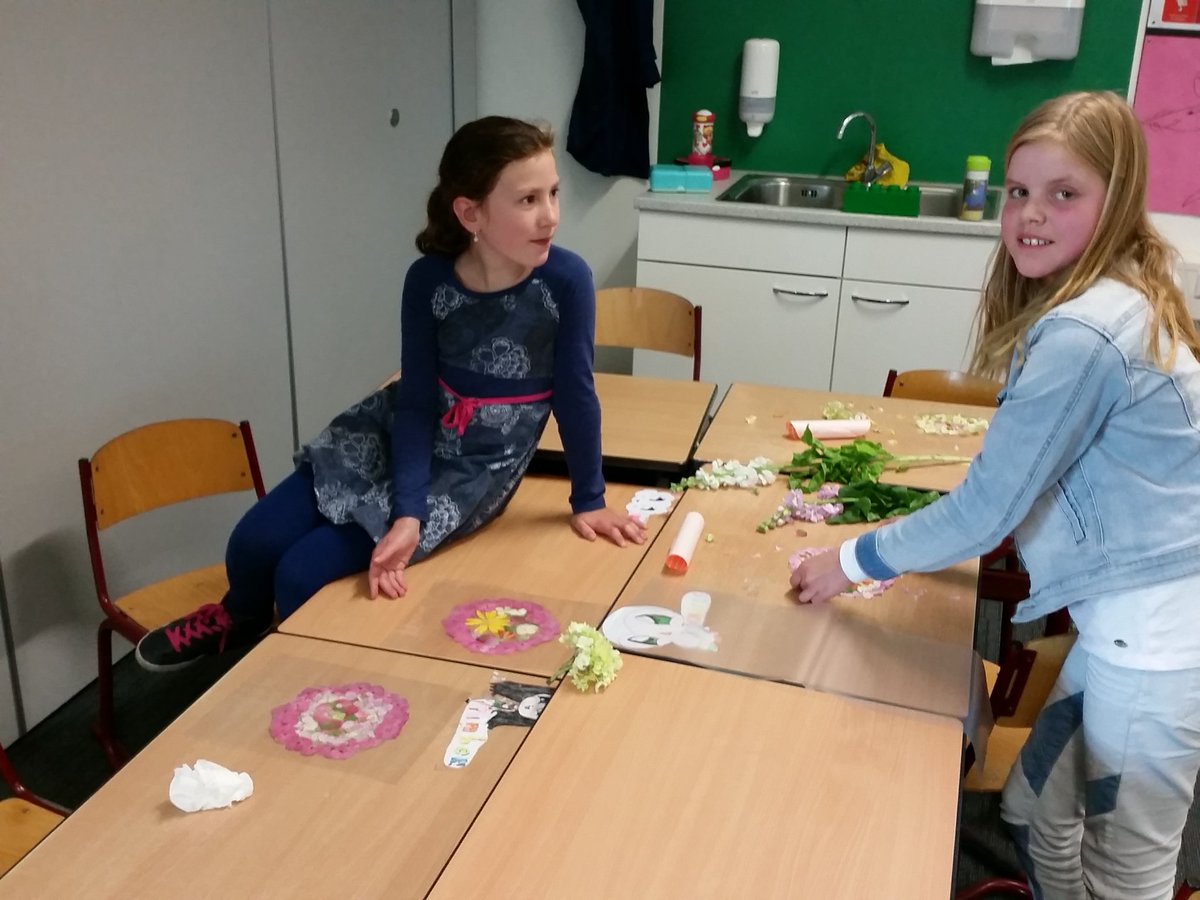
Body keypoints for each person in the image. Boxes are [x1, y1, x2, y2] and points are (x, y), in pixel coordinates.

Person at [791, 91, 1200, 898]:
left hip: (1158, 650)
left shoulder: (1088, 329)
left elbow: (986, 514)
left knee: (1129, 865)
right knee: (1037, 804)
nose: (1030, 215)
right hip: (1124, 631)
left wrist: (850, 559)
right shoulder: (1109, 296)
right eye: (1018, 191)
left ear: (1115, 202)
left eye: (1064, 193)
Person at [136, 115, 646, 671]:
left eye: (552, 194)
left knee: (301, 571)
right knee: (252, 543)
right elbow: (417, 402)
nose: (550, 215)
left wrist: (589, 498)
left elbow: (575, 395)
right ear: (470, 212)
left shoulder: (565, 280)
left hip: (475, 467)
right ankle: (238, 618)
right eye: (527, 199)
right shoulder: (428, 280)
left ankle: (275, 666)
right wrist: (406, 510)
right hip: (401, 429)